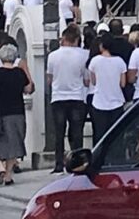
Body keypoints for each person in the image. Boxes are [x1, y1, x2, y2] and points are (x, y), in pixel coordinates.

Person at [0, 44, 32, 187]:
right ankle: (9, 175)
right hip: (17, 112)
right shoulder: (19, 73)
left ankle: (0, 168)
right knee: (14, 144)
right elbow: (28, 88)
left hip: (0, 113)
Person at [47, 26, 89, 174]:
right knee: (77, 132)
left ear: (63, 39)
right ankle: (78, 162)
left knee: (59, 132)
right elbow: (86, 80)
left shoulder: (53, 56)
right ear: (77, 39)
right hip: (77, 97)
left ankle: (59, 163)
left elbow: (49, 79)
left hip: (58, 97)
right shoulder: (84, 55)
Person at [90, 33, 127, 143]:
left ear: (101, 45)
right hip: (116, 102)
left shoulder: (95, 61)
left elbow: (94, 81)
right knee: (116, 136)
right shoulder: (120, 61)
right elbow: (123, 84)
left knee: (99, 135)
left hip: (99, 101)